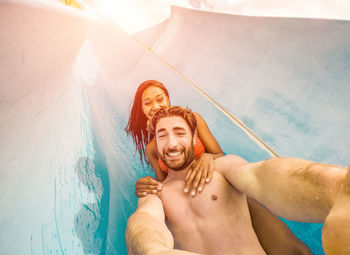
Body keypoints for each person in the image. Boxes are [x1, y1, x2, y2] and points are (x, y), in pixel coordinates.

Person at [125, 81, 311, 254]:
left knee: (290, 247)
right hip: (194, 199)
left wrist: (207, 157)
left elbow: (219, 154)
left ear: (168, 98)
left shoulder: (192, 120)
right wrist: (146, 186)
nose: (155, 106)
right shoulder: (152, 147)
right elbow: (163, 183)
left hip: (224, 191)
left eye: (160, 99)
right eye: (147, 103)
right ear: (141, 109)